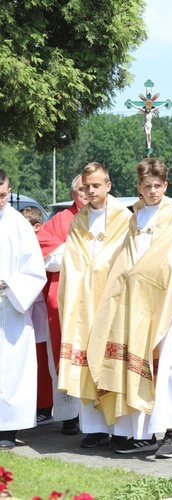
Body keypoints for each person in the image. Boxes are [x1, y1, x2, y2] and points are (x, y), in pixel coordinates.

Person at [85, 158, 172, 458]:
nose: (153, 191)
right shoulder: (134, 218)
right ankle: (137, 433)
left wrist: (149, 276)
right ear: (138, 188)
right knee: (132, 363)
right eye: (147, 186)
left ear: (166, 185)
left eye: (158, 186)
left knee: (165, 368)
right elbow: (124, 259)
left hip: (165, 304)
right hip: (134, 305)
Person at [57, 163, 132, 449]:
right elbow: (73, 261)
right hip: (85, 300)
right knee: (87, 358)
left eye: (96, 186)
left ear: (108, 186)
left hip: (112, 299)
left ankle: (120, 428)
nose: (91, 191)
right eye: (86, 186)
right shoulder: (79, 221)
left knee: (110, 360)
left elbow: (125, 258)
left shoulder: (124, 219)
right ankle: (95, 428)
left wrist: (100, 273)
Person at [36, 175, 88, 435]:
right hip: (64, 297)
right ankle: (69, 416)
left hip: (94, 297)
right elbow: (45, 256)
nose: (86, 193)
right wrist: (79, 250)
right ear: (72, 192)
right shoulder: (59, 221)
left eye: (90, 188)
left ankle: (95, 419)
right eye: (81, 189)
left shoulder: (107, 217)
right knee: (65, 355)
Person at [0, 170, 47, 449]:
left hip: (9, 309)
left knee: (9, 369)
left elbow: (35, 273)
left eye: (3, 195)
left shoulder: (18, 225)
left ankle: (6, 428)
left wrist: (7, 284)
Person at [21, 206, 55, 427]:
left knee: (42, 360)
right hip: (25, 307)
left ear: (37, 227)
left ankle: (44, 406)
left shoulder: (43, 241)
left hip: (40, 311)